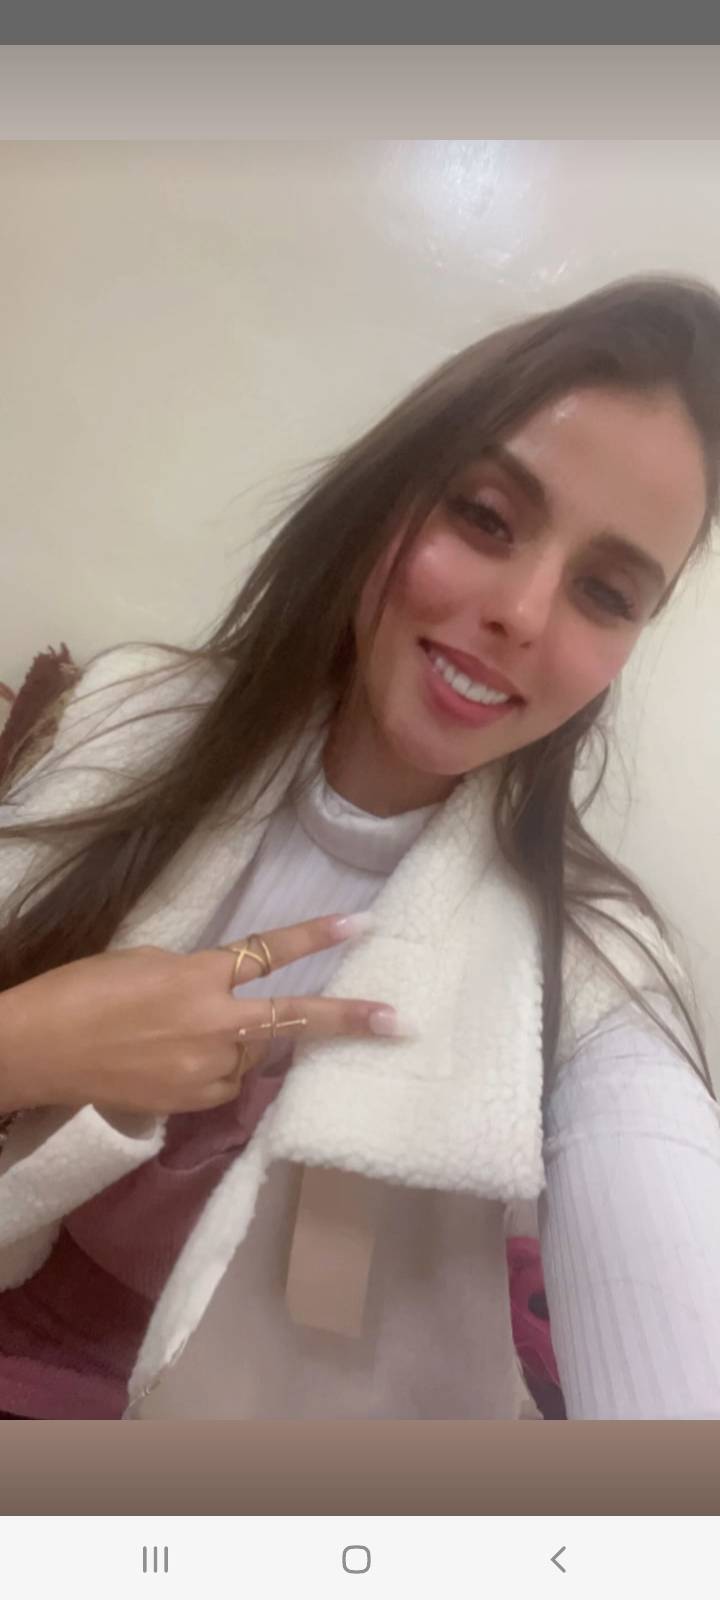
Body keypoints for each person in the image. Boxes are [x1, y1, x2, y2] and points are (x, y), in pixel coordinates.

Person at [0, 273, 719, 1422]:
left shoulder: (593, 961)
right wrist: (32, 1042)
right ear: (393, 496)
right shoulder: (128, 718)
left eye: (606, 590)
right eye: (486, 517)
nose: (525, 612)